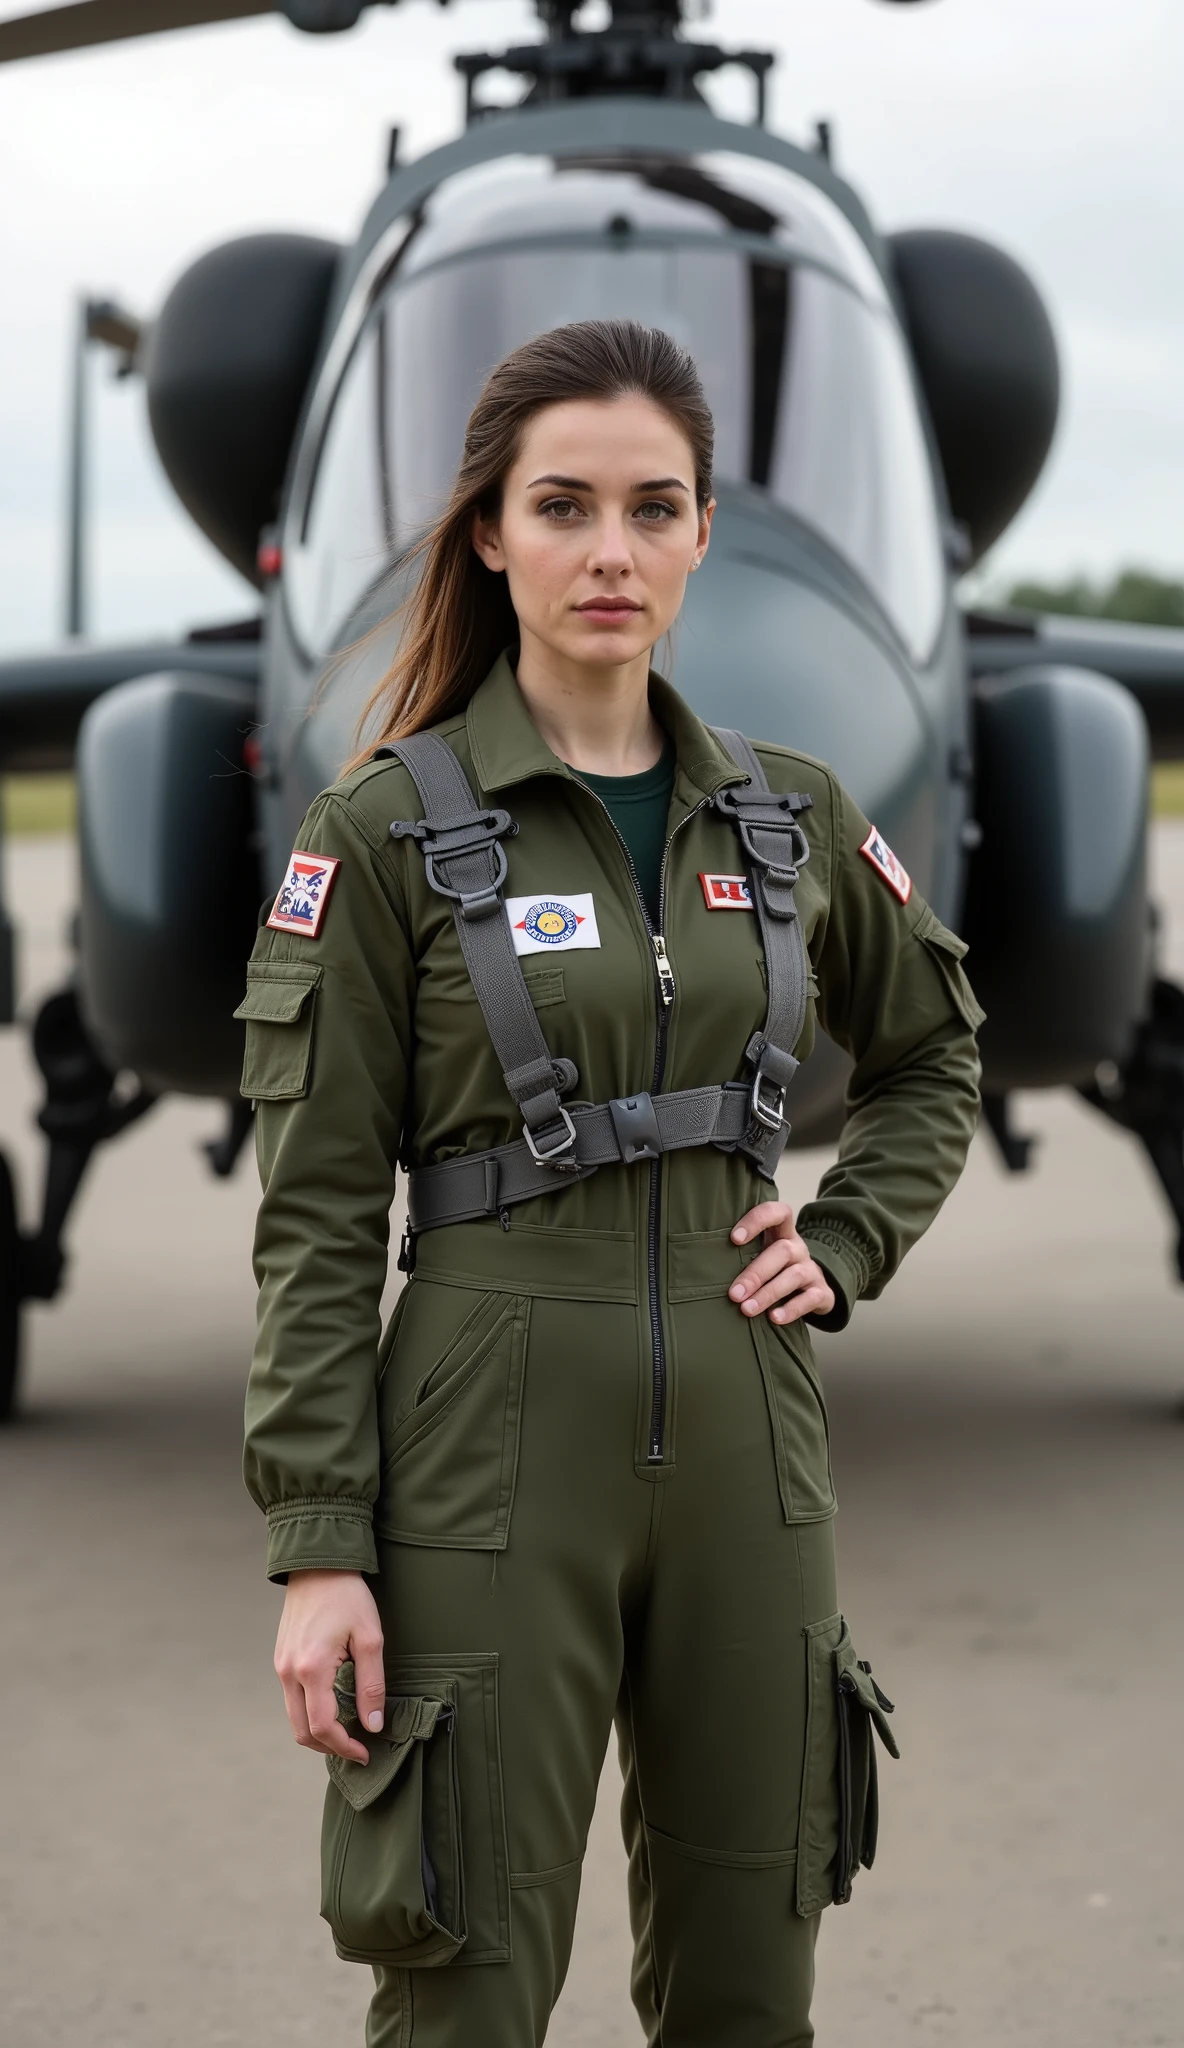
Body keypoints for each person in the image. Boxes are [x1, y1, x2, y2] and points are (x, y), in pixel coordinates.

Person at [239, 318, 983, 2048]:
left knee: (751, 1979)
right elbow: (320, 1222)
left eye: (654, 509)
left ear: (704, 532)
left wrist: (852, 1233)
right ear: (489, 532)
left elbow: (938, 1048)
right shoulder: (382, 837)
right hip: (487, 1435)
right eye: (562, 507)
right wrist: (317, 1546)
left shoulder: (788, 822)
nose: (610, 552)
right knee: (465, 1987)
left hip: (750, 1436)